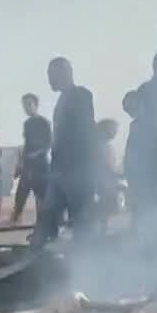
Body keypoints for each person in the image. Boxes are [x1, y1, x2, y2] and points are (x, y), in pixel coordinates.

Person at [42, 56, 99, 241]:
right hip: (62, 171)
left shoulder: (80, 95)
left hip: (76, 171)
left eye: (51, 74)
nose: (49, 79)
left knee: (81, 222)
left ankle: (84, 262)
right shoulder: (63, 100)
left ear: (64, 73)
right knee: (49, 218)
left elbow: (84, 134)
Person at [11, 93, 52, 223]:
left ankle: (42, 224)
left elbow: (49, 143)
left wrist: (37, 154)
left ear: (36, 105)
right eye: (24, 106)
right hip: (28, 164)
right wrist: (20, 163)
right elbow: (27, 144)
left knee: (40, 195)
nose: (26, 108)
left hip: (40, 165)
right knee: (20, 194)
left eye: (29, 105)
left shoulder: (44, 122)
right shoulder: (27, 123)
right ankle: (15, 220)